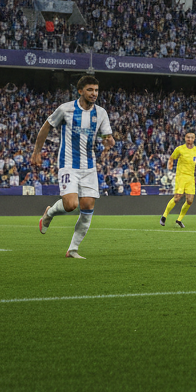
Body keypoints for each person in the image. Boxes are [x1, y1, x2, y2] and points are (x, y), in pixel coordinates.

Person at [33, 75, 114, 259]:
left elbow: (103, 135)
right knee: (71, 205)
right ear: (80, 91)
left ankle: (73, 249)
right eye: (90, 90)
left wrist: (108, 140)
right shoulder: (66, 109)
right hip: (68, 164)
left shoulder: (101, 113)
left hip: (89, 166)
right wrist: (37, 151)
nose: (94, 94)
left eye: (96, 90)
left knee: (87, 207)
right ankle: (49, 213)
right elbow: (46, 127)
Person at [161, 132, 196, 227]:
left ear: (194, 139)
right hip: (181, 176)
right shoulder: (180, 149)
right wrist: (170, 165)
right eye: (188, 137)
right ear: (185, 138)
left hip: (190, 178)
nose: (189, 139)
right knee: (177, 197)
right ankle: (164, 216)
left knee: (190, 200)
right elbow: (172, 158)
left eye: (191, 137)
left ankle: (179, 220)